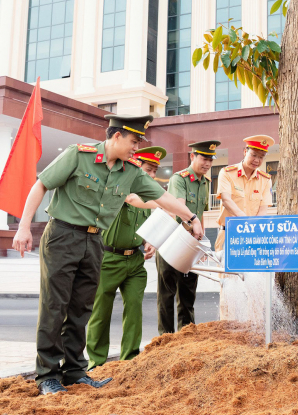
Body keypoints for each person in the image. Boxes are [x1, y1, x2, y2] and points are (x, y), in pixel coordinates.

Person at [11, 115, 204, 396]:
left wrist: (191, 217)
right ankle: (47, 375)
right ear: (116, 137)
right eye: (134, 141)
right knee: (55, 306)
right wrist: (24, 227)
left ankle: (75, 371)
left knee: (81, 308)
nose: (136, 148)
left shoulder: (131, 172)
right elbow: (41, 185)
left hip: (94, 241)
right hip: (63, 236)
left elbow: (162, 198)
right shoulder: (78, 155)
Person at [85, 146, 166, 369]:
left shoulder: (147, 197)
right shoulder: (120, 188)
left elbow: (145, 227)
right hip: (108, 259)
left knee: (134, 310)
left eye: (153, 172)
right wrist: (172, 204)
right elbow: (134, 201)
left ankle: (129, 360)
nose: (150, 176)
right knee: (101, 312)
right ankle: (97, 364)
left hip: (135, 262)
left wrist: (148, 242)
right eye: (147, 170)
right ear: (136, 168)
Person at [157, 140, 219, 333]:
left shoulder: (205, 183)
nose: (207, 163)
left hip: (192, 246)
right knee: (167, 295)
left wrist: (201, 244)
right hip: (172, 243)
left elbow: (201, 214)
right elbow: (180, 207)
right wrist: (194, 223)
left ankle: (186, 336)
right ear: (192, 157)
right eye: (203, 158)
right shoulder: (179, 178)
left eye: (210, 160)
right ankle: (165, 339)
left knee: (187, 295)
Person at [215, 135, 274, 318]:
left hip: (254, 237)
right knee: (228, 284)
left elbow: (264, 207)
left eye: (261, 157)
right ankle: (228, 325)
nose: (257, 160)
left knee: (256, 284)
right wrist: (245, 221)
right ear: (244, 151)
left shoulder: (265, 179)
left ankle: (255, 324)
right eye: (254, 155)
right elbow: (226, 199)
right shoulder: (227, 173)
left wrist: (252, 228)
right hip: (229, 235)